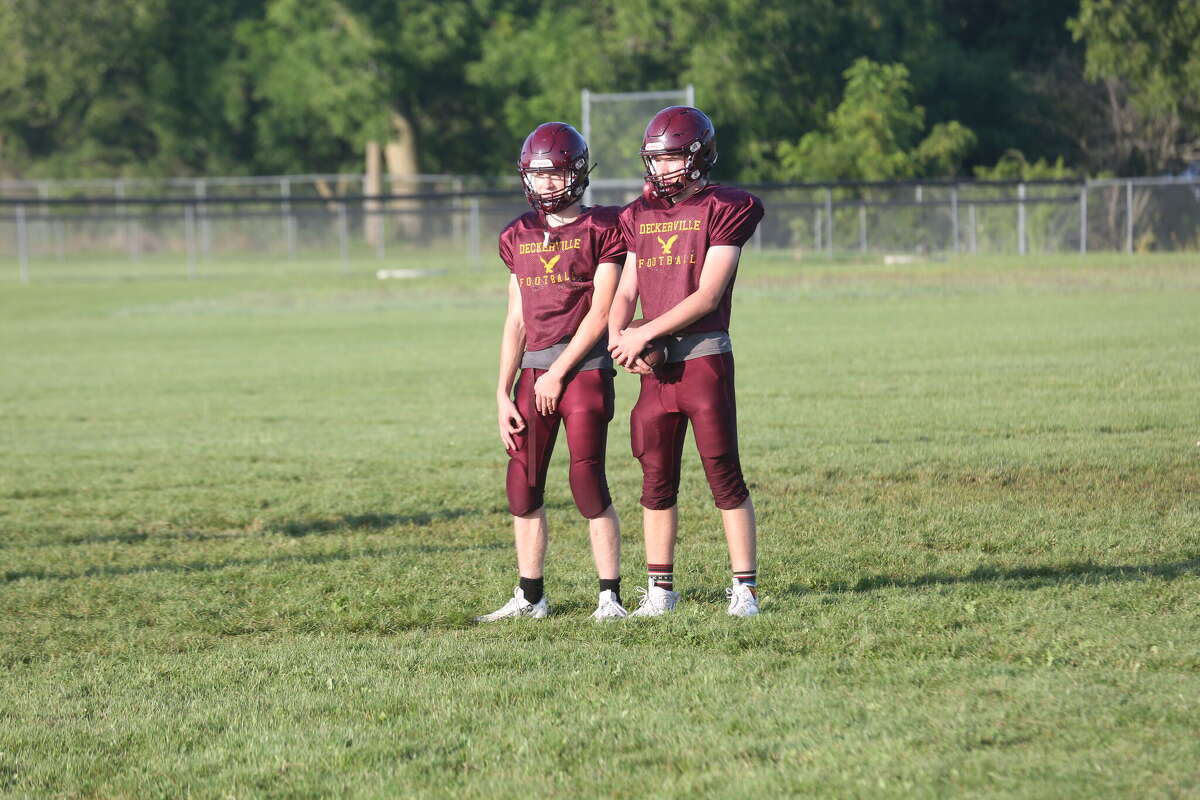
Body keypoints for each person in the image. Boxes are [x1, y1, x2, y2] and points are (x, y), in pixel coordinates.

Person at [607, 106, 765, 618]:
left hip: (703, 359)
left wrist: (645, 332)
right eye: (656, 159)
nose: (662, 168)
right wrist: (618, 340)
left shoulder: (723, 207)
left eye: (672, 157)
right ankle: (660, 590)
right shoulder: (639, 215)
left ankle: (745, 589)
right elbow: (625, 290)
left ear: (698, 157)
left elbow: (707, 295)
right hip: (655, 368)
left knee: (724, 472)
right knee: (655, 480)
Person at [477, 122, 629, 622]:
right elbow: (516, 319)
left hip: (583, 369)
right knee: (522, 485)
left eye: (555, 173)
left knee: (587, 481)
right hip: (533, 373)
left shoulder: (603, 228)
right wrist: (501, 392)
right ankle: (530, 597)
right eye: (537, 174)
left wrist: (558, 372)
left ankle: (609, 597)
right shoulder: (517, 234)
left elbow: (601, 312)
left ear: (577, 174)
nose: (545, 183)